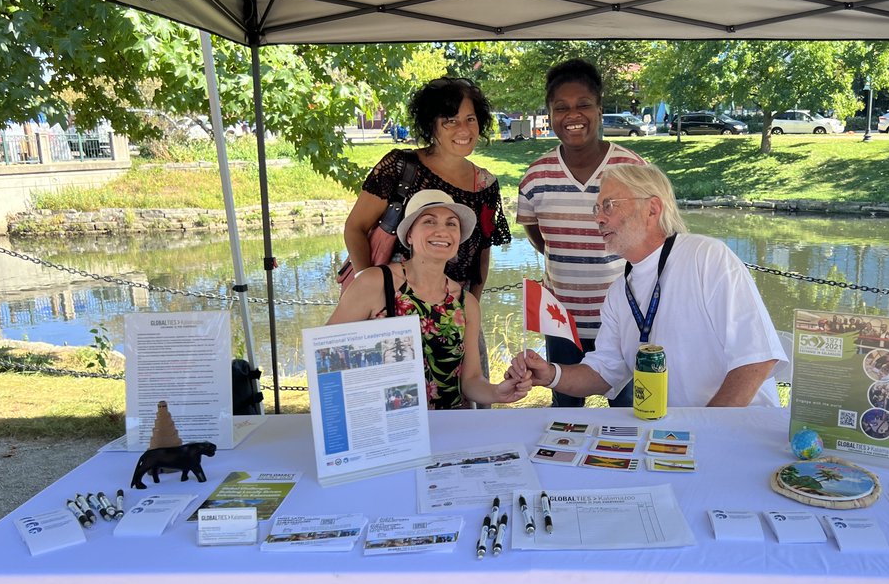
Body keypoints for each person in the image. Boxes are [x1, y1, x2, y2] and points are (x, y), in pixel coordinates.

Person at [510, 164, 788, 407]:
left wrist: (706, 427)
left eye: (609, 205)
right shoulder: (619, 292)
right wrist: (550, 374)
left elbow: (757, 359)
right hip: (674, 440)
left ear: (652, 209)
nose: (598, 218)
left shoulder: (706, 257)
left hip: (738, 432)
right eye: (597, 208)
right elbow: (604, 371)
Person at [516, 59, 646, 407]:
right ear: (550, 114)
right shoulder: (536, 177)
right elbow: (537, 233)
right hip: (562, 323)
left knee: (630, 413)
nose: (573, 115)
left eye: (583, 104)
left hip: (624, 321)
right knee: (566, 420)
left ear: (600, 110)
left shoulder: (633, 170)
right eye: (561, 108)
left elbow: (653, 240)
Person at [329, 189, 530, 409]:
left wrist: (497, 392)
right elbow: (327, 357)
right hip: (389, 431)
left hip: (450, 428)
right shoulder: (374, 283)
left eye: (451, 224)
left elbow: (470, 381)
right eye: (429, 221)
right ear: (409, 236)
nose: (442, 231)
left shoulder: (466, 303)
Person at [340, 77, 511, 300]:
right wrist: (368, 289)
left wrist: (471, 309)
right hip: (391, 303)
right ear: (431, 125)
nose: (463, 129)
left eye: (470, 119)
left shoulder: (485, 184)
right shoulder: (401, 166)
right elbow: (355, 227)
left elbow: (482, 255)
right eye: (450, 120)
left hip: (452, 310)